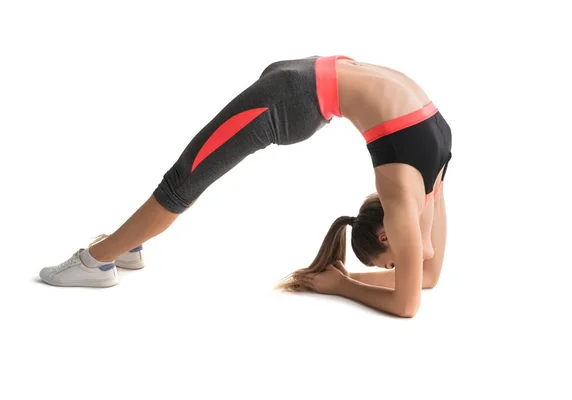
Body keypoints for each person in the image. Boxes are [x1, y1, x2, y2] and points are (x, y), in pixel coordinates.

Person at [39, 55, 452, 317]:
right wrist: (344, 285)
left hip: (311, 75)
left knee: (191, 174)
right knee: (185, 180)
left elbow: (425, 278)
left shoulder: (431, 168)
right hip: (291, 96)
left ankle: (128, 246)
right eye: (391, 264)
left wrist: (349, 282)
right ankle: (97, 262)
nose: (403, 267)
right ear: (385, 233)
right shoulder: (400, 191)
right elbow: (408, 303)